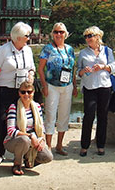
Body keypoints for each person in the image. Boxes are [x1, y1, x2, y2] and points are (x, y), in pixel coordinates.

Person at [0, 22, 36, 165]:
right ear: (18, 37)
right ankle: (0, 152)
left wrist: (31, 76)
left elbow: (32, 68)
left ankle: (22, 152)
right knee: (3, 120)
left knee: (22, 120)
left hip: (22, 91)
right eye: (26, 36)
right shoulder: (4, 50)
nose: (28, 38)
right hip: (5, 89)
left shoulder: (28, 50)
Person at [77, 26, 115, 156]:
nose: (88, 38)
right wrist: (84, 71)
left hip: (105, 86)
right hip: (89, 87)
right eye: (86, 36)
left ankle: (101, 145)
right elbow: (78, 71)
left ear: (98, 36)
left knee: (103, 116)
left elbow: (114, 66)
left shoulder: (107, 50)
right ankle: (84, 145)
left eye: (90, 35)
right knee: (88, 116)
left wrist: (103, 67)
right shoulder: (83, 53)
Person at [38, 22, 77, 156]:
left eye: (61, 32)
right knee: (50, 115)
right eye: (56, 32)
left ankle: (59, 145)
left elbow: (73, 68)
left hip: (67, 86)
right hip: (52, 86)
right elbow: (40, 69)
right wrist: (44, 86)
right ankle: (48, 146)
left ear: (65, 34)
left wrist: (75, 86)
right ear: (52, 34)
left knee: (64, 115)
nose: (58, 34)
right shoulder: (48, 49)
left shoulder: (70, 49)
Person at [4, 80, 53, 175]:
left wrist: (42, 140)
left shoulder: (37, 107)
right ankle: (17, 164)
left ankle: (29, 161)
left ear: (33, 92)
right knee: (24, 140)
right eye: (23, 92)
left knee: (48, 156)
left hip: (34, 139)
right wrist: (31, 136)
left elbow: (41, 127)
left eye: (29, 92)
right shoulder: (14, 107)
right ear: (19, 93)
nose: (26, 94)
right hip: (14, 140)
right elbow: (11, 131)